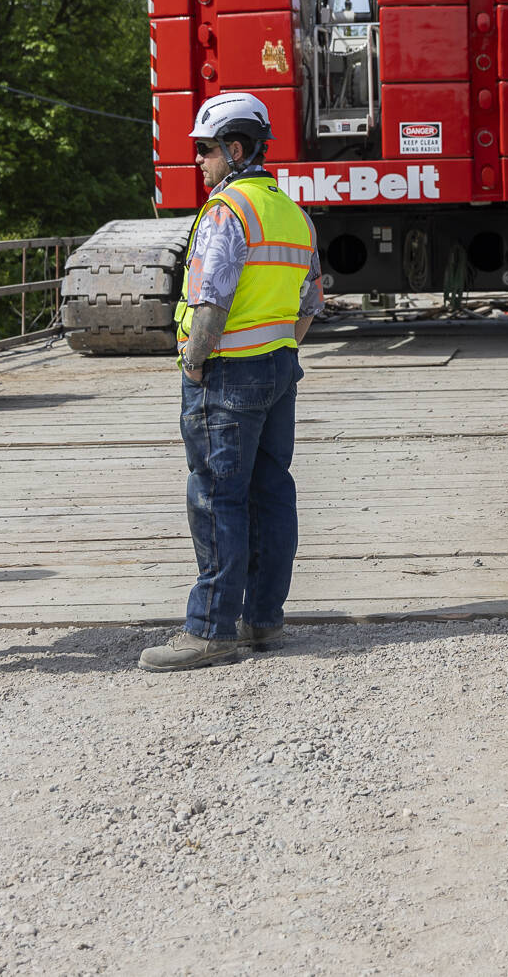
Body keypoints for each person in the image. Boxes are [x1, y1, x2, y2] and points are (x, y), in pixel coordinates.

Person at [140, 91, 324, 673]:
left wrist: (194, 360)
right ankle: (263, 618)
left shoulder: (228, 211)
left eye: (205, 150)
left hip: (226, 376)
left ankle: (211, 629)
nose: (198, 161)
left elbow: (212, 298)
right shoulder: (293, 213)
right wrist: (283, 342)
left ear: (235, 149)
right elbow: (312, 299)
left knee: (218, 497)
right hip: (278, 369)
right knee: (272, 492)